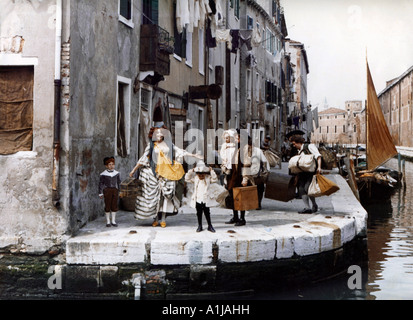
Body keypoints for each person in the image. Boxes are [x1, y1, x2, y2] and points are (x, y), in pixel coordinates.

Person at [129, 126, 202, 227]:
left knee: (166, 197)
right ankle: (155, 219)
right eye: (157, 133)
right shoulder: (151, 146)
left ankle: (163, 219)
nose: (159, 135)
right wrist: (134, 170)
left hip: (168, 173)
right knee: (155, 197)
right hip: (154, 173)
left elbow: (180, 151)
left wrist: (194, 156)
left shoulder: (169, 144)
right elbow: (143, 159)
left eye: (161, 133)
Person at [289, 135, 322, 214]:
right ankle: (307, 207)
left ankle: (314, 205)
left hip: (311, 172)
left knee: (308, 188)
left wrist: (319, 167)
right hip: (302, 173)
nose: (294, 146)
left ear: (299, 142)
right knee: (301, 189)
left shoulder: (309, 146)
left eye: (294, 144)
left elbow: (318, 156)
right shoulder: (299, 151)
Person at [185, 161, 218, 233]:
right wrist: (192, 170)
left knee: (207, 212)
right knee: (199, 212)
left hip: (205, 198)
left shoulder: (208, 178)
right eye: (199, 174)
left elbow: (215, 179)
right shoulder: (195, 179)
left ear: (205, 173)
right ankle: (200, 226)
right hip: (198, 198)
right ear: (197, 174)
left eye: (202, 174)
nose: (201, 176)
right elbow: (187, 179)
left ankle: (210, 225)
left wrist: (211, 171)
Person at [243, 136, 270, 210]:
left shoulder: (258, 151)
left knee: (259, 189)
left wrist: (266, 171)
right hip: (248, 173)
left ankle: (258, 203)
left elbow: (264, 161)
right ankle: (249, 203)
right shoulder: (244, 151)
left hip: (257, 173)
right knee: (248, 189)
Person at [99, 157, 121, 227]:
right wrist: (100, 192)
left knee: (114, 205)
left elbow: (119, 182)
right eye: (109, 164)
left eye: (112, 164)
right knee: (107, 205)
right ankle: (108, 221)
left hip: (114, 190)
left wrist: (120, 191)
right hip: (107, 190)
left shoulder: (116, 173)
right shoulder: (103, 174)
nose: (111, 166)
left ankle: (113, 221)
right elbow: (101, 184)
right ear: (106, 166)